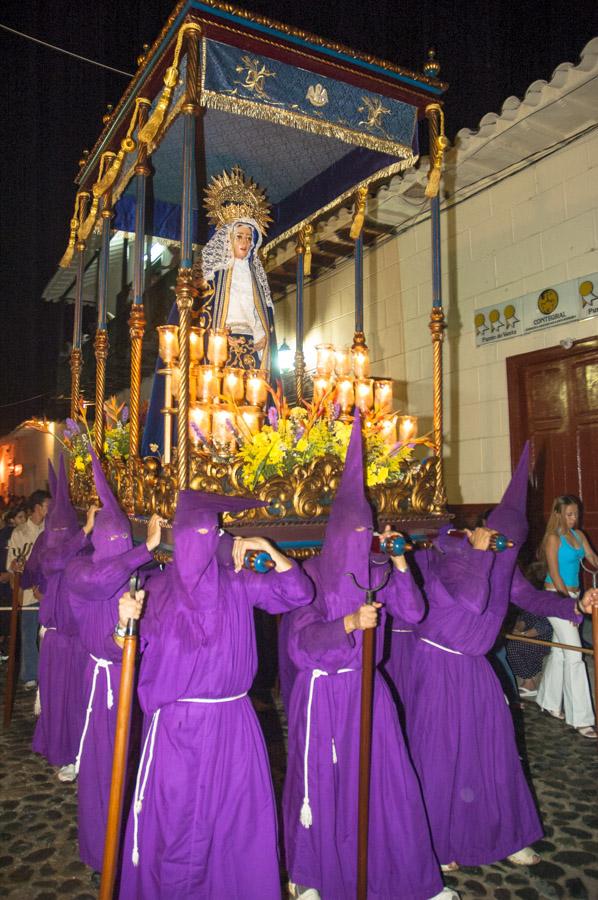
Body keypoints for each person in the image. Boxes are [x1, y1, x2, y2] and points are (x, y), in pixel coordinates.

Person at [389, 444, 591, 870]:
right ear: (491, 531)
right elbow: (472, 600)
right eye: (505, 540)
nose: (509, 550)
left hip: (475, 669)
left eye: (515, 544)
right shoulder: (455, 556)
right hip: (438, 665)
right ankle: (440, 843)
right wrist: (481, 552)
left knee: (494, 750)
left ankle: (507, 836)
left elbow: (531, 598)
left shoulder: (505, 564)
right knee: (440, 755)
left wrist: (576, 605)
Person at [281, 412, 452, 900]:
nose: (361, 542)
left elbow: (416, 613)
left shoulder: (379, 567)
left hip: (368, 693)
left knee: (388, 780)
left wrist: (399, 561)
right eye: (353, 534)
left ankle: (410, 875)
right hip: (324, 695)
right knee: (322, 782)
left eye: (368, 533)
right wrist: (348, 625)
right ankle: (311, 873)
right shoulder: (309, 574)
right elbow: (299, 644)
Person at [118, 488, 314, 900]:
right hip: (176, 730)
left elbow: (298, 595)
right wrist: (124, 624)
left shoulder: (239, 584)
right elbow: (127, 649)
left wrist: (269, 550)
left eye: (213, 531)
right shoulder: (155, 590)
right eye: (196, 532)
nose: (205, 540)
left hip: (232, 726)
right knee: (175, 825)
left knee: (235, 824)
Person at [65, 450, 161, 877]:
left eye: (126, 542)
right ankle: (102, 847)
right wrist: (144, 552)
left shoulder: (137, 573)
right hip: (103, 682)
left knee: (138, 765)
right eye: (115, 542)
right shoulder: (81, 571)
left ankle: (134, 842)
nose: (119, 549)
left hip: (136, 684)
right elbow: (103, 581)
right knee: (104, 770)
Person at [141, 167, 277, 459]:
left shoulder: (254, 275)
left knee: (247, 404)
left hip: (248, 349)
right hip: (218, 348)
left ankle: (246, 454)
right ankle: (210, 451)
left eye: (250, 237)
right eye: (240, 235)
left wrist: (261, 333)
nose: (245, 241)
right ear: (227, 238)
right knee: (215, 403)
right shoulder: (212, 275)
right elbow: (196, 310)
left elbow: (259, 311)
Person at [31, 457, 95, 782]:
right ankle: (64, 754)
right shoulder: (52, 548)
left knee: (77, 701)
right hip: (55, 638)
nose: (56, 532)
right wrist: (82, 532)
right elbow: (49, 563)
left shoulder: (84, 552)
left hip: (79, 640)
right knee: (57, 702)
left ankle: (79, 752)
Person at [536, 495, 598, 737]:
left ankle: (548, 701)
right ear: (558, 514)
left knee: (561, 651)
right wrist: (567, 606)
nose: (574, 518)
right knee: (575, 656)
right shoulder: (553, 539)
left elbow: (592, 558)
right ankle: (580, 718)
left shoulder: (579, 536)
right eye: (570, 514)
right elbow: (555, 575)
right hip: (555, 598)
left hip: (574, 597)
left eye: (576, 514)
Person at [7, 489, 50, 687]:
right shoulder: (20, 532)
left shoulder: (50, 531)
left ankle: (47, 671)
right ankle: (30, 673)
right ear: (38, 508)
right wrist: (16, 565)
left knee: (47, 634)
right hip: (26, 591)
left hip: (46, 591)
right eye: (47, 506)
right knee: (28, 632)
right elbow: (13, 562)